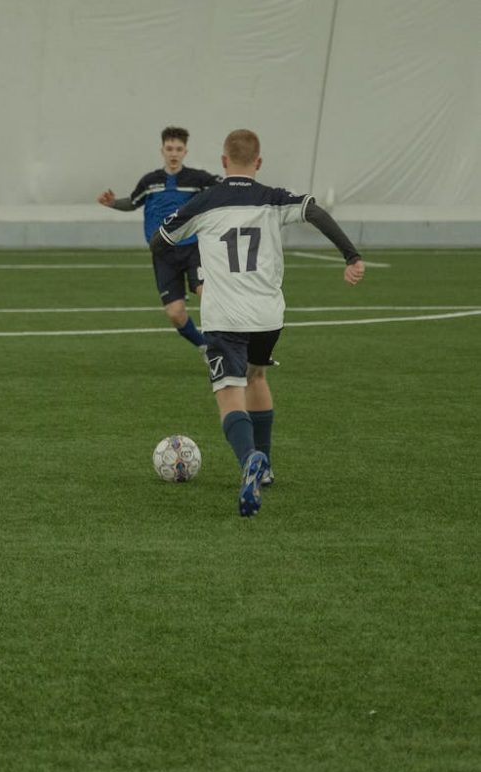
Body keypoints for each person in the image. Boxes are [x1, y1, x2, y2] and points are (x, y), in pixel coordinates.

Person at [150, 128, 365, 517]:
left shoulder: (205, 201)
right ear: (259, 162)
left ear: (223, 161)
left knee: (229, 394)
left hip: (224, 314)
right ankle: (264, 467)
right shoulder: (273, 198)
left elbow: (161, 240)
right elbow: (315, 211)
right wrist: (351, 256)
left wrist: (195, 265)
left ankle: (250, 458)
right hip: (268, 316)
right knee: (258, 377)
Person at [97, 126, 220, 356]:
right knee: (175, 313)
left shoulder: (198, 179)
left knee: (207, 296)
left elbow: (223, 188)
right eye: (169, 148)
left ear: (186, 152)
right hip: (163, 253)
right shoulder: (150, 181)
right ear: (162, 150)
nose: (174, 153)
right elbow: (133, 203)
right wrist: (112, 203)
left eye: (179, 149)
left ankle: (226, 347)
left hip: (194, 248)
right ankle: (205, 346)